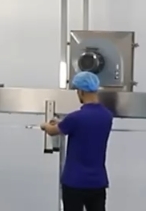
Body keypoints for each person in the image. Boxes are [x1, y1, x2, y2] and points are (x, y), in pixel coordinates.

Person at [40, 71, 114, 211]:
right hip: (97, 182)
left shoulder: (75, 118)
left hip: (74, 182)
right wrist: (63, 123)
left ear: (81, 92)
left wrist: (44, 125)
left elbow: (52, 130)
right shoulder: (107, 116)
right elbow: (87, 126)